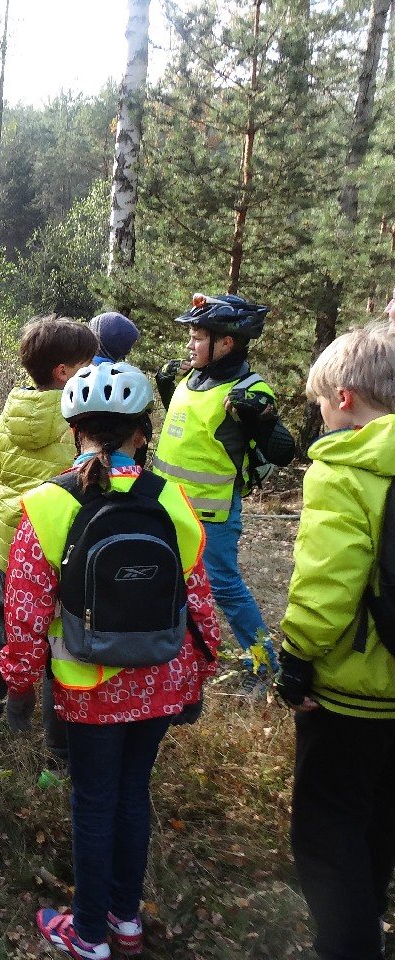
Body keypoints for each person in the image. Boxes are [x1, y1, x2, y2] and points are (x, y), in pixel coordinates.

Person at [0, 362, 221, 960]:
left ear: (74, 432)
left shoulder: (48, 503)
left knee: (94, 801)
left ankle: (89, 934)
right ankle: (125, 921)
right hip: (160, 677)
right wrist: (202, 670)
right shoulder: (169, 497)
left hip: (87, 686)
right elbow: (198, 596)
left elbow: (25, 609)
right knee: (132, 793)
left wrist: (19, 682)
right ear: (142, 434)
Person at [274, 323, 395, 960]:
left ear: (344, 398)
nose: (320, 412)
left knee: (327, 830)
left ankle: (347, 945)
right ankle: (368, 919)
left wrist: (296, 658)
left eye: (320, 401)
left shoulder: (344, 467)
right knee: (381, 820)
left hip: (351, 689)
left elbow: (327, 584)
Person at [0, 316, 98, 783]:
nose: (94, 370)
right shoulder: (78, 421)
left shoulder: (10, 410)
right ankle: (59, 757)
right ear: (64, 372)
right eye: (87, 363)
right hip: (58, 550)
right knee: (60, 645)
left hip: (12, 543)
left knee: (3, 629)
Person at [154, 293, 296, 693]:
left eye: (197, 337)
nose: (189, 344)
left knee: (225, 589)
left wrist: (261, 418)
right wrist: (165, 386)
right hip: (168, 506)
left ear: (226, 342)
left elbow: (284, 453)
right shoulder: (191, 377)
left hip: (212, 515)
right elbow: (188, 429)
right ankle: (174, 654)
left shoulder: (249, 390)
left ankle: (265, 665)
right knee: (168, 582)